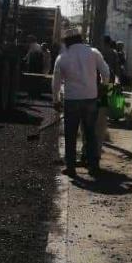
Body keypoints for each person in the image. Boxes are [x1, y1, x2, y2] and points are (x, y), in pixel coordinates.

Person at [52, 27, 111, 178]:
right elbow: (106, 72)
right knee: (90, 134)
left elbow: (56, 82)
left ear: (67, 42)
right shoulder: (93, 53)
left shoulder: (62, 57)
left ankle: (71, 168)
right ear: (80, 39)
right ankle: (93, 167)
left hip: (71, 100)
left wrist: (56, 100)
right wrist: (103, 87)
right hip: (91, 99)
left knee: (70, 135)